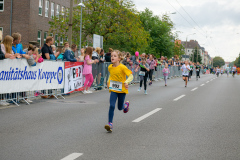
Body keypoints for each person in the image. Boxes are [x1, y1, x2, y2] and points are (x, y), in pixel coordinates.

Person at [105, 50, 133, 132]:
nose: (112, 57)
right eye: (111, 56)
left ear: (119, 58)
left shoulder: (122, 67)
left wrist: (126, 82)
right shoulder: (110, 67)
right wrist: (108, 81)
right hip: (114, 89)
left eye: (114, 56)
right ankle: (110, 124)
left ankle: (125, 105)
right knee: (112, 106)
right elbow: (111, 75)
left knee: (120, 108)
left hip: (122, 90)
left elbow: (131, 76)